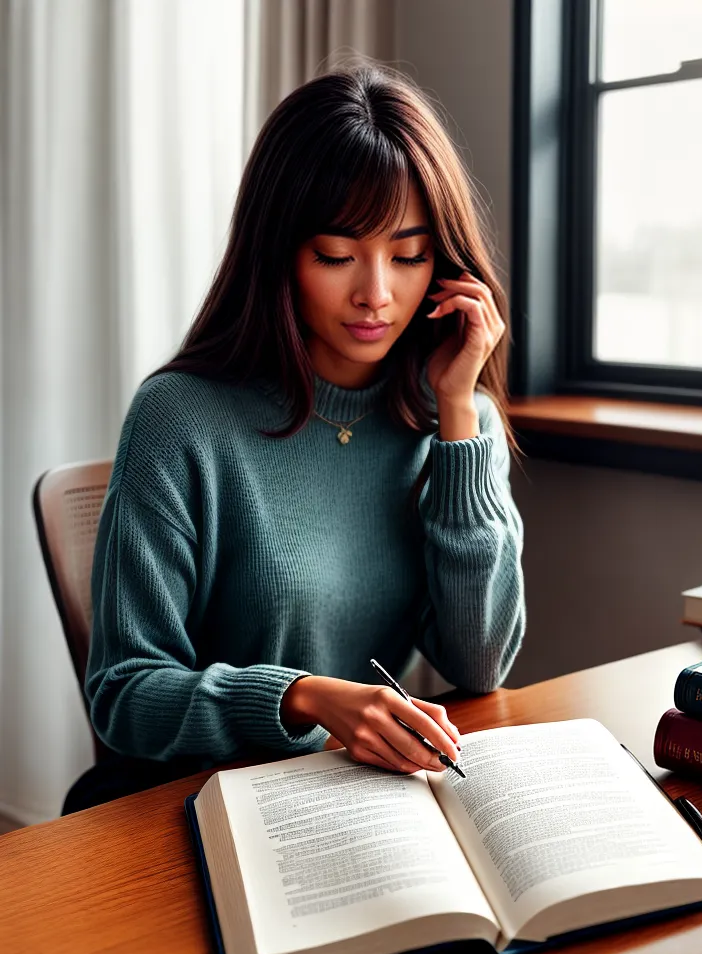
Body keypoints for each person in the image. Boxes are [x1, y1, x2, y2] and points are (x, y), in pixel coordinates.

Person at [63, 62, 526, 814]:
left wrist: (458, 421)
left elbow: (478, 664)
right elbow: (125, 696)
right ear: (280, 252)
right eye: (337, 255)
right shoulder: (180, 418)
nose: (376, 293)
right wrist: (304, 699)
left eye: (408, 256)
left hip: (352, 799)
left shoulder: (455, 422)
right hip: (190, 804)